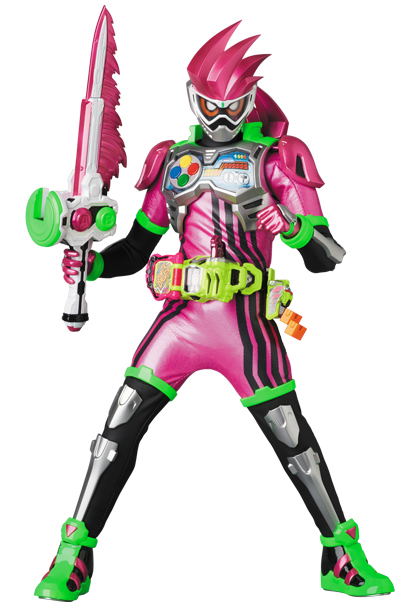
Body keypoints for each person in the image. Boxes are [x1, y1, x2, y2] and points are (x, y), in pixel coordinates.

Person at [35, 22, 393, 600]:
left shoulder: (278, 159)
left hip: (245, 324)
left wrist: (294, 228)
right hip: (180, 321)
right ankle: (74, 553)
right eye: (209, 106)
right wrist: (91, 265)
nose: (221, 119)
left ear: (249, 100)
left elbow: (328, 257)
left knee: (290, 434)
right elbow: (135, 250)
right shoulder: (174, 162)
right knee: (118, 425)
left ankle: (341, 554)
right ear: (192, 98)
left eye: (231, 107)